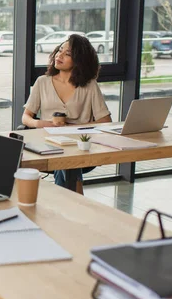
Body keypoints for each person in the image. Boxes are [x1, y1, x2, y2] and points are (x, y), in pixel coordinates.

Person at [21, 34, 112, 193]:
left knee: (67, 157)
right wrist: (39, 123)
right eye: (59, 50)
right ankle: (76, 197)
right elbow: (26, 117)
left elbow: (105, 121)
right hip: (47, 142)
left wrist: (73, 127)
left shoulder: (89, 86)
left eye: (67, 54)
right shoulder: (42, 82)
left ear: (79, 60)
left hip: (79, 145)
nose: (59, 55)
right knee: (66, 159)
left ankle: (65, 199)